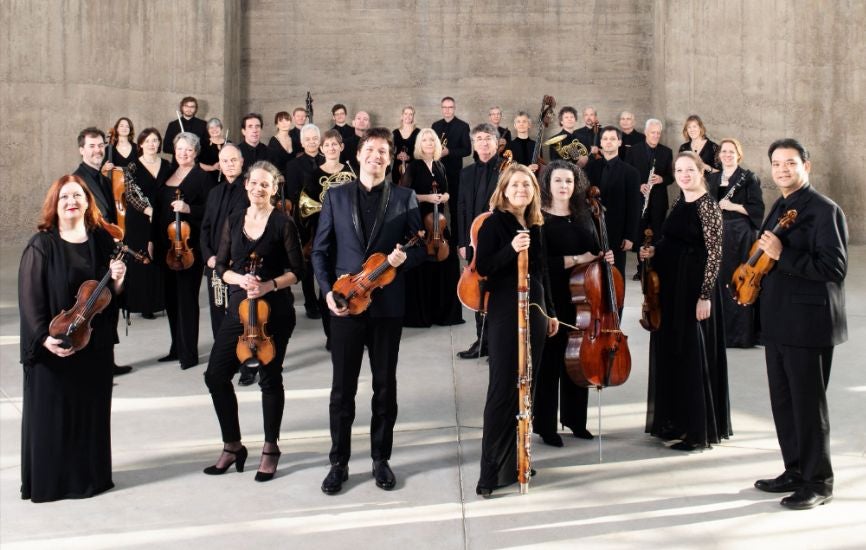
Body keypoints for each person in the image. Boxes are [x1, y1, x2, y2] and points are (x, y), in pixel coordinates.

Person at [311, 127, 426, 495]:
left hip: (387, 308)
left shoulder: (405, 197)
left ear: (390, 160)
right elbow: (320, 252)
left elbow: (421, 248)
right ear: (358, 155)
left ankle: (381, 459)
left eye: (383, 152)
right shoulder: (336, 196)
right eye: (371, 150)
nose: (377, 156)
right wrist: (328, 292)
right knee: (342, 391)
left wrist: (402, 260)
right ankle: (338, 463)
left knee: (384, 387)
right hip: (344, 305)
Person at [19, 175, 127, 502]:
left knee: (90, 413)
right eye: (65, 196)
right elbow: (30, 299)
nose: (71, 202)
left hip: (92, 345)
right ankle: (52, 483)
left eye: (78, 196)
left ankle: (90, 479)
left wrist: (119, 281)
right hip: (56, 344)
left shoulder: (101, 241)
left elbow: (109, 297)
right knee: (52, 417)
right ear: (56, 203)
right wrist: (42, 339)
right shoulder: (43, 244)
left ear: (87, 202)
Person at [753, 139, 847, 510]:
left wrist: (783, 254)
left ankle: (819, 482)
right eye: (776, 164)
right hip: (778, 321)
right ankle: (795, 470)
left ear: (807, 165)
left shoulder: (825, 210)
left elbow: (834, 268)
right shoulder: (780, 204)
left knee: (809, 407)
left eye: (790, 163)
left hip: (809, 324)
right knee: (784, 403)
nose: (782, 170)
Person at [202, 160, 304, 483]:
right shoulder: (234, 220)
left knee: (270, 379)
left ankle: (270, 447)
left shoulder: (283, 224)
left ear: (274, 189)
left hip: (274, 311)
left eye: (265, 184)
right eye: (254, 183)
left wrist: (268, 285)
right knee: (216, 376)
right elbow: (221, 266)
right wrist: (239, 279)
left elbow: (297, 272)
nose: (258, 189)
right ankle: (232, 445)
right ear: (246, 185)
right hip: (240, 308)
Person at [474, 163, 558, 497]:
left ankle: (518, 461)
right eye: (515, 185)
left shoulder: (537, 224)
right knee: (502, 388)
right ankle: (490, 472)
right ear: (505, 189)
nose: (521, 190)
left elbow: (543, 273)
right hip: (507, 311)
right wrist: (511, 249)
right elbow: (484, 268)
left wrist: (550, 311)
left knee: (527, 387)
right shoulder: (495, 223)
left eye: (527, 185)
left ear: (534, 191)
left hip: (534, 309)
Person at [640, 152, 730, 451]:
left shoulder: (708, 206)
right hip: (671, 288)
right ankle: (675, 421)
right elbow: (670, 240)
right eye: (679, 170)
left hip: (693, 289)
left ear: (700, 171)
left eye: (689, 169)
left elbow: (715, 255)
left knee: (692, 355)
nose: (683, 174)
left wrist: (704, 296)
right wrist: (654, 253)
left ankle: (696, 431)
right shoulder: (680, 200)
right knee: (673, 351)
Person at [535, 160, 612, 446]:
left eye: (568, 181)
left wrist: (605, 257)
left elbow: (596, 251)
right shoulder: (539, 218)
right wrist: (579, 260)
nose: (564, 186)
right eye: (558, 181)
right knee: (550, 362)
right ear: (548, 184)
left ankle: (576, 420)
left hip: (583, 298)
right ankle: (545, 425)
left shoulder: (584, 215)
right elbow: (539, 263)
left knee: (578, 360)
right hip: (552, 297)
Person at [72, 127, 129, 375]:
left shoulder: (104, 180)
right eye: (92, 146)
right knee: (92, 308)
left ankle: (107, 362)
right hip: (89, 254)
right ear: (81, 149)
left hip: (108, 253)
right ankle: (92, 362)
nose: (97, 150)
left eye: (100, 146)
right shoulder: (77, 180)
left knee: (109, 307)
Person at [154, 132, 210, 369]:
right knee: (171, 300)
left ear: (195, 152)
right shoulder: (168, 172)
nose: (183, 153)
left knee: (187, 300)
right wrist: (150, 240)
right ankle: (175, 348)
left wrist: (188, 208)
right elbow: (157, 209)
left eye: (188, 149)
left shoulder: (202, 177)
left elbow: (209, 210)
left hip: (189, 248)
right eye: (179, 149)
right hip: (166, 246)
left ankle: (189, 353)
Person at [401, 128, 464, 327]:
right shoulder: (414, 167)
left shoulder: (439, 166)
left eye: (432, 140)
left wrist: (444, 197)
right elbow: (404, 194)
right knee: (423, 265)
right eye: (425, 140)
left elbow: (446, 193)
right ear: (419, 144)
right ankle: (422, 314)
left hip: (439, 220)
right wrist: (427, 197)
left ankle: (445, 313)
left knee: (449, 262)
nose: (429, 143)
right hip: (420, 221)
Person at [706, 138, 764, 347]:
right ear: (719, 155)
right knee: (719, 283)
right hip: (718, 235)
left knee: (738, 283)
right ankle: (720, 333)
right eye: (724, 152)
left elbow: (757, 209)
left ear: (738, 155)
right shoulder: (712, 179)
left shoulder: (748, 178)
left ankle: (741, 335)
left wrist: (732, 205)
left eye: (731, 152)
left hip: (740, 236)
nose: (727, 155)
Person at [456, 123, 502, 359]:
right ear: (474, 144)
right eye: (479, 139)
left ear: (497, 142)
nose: (484, 143)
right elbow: (461, 208)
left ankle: (497, 344)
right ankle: (481, 341)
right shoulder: (466, 173)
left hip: (500, 242)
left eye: (488, 138)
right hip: (474, 241)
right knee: (477, 291)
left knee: (499, 292)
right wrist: (463, 241)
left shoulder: (507, 171)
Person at [308, 130, 356, 348]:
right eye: (327, 145)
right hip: (325, 233)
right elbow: (306, 208)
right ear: (321, 149)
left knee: (351, 282)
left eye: (335, 144)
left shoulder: (351, 171)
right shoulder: (313, 174)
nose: (331, 148)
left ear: (341, 147)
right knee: (327, 283)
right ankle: (331, 336)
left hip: (347, 235)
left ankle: (353, 330)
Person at [200, 143, 249, 338]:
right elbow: (205, 228)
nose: (229, 164)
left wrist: (233, 257)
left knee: (239, 311)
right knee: (217, 310)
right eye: (225, 161)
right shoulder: (214, 193)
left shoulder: (249, 190)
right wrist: (209, 256)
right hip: (215, 263)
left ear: (242, 162)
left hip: (238, 263)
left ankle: (242, 355)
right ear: (219, 164)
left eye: (233, 160)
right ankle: (222, 358)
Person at [584, 126, 641, 281]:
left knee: (616, 276)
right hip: (593, 231)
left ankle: (617, 306)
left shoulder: (631, 173)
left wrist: (630, 236)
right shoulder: (589, 168)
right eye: (605, 139)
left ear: (620, 142)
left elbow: (634, 207)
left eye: (612, 139)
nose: (608, 142)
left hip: (618, 232)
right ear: (600, 143)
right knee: (593, 276)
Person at [125, 128, 168, 320]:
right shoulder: (132, 166)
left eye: (155, 140)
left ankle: (159, 301)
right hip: (139, 218)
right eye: (148, 140)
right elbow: (130, 194)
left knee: (158, 257)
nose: (152, 144)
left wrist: (160, 212)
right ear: (140, 144)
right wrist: (148, 210)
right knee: (141, 258)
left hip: (161, 216)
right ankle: (142, 304)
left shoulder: (167, 164)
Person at [625, 118, 674, 279]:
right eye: (653, 132)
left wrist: (661, 179)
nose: (655, 136)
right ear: (646, 133)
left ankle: (656, 267)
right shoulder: (633, 151)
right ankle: (641, 269)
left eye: (658, 133)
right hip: (640, 200)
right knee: (639, 234)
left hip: (659, 201)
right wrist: (639, 185)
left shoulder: (666, 152)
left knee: (658, 234)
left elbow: (671, 177)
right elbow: (627, 175)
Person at [285, 123, 323, 320]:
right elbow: (293, 193)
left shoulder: (328, 160)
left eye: (315, 138)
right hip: (305, 219)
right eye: (307, 139)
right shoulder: (293, 165)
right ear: (301, 142)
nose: (311, 142)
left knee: (326, 259)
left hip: (327, 219)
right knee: (307, 261)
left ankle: (323, 298)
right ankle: (310, 302)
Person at [432, 96, 471, 228]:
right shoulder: (435, 126)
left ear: (454, 109)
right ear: (441, 109)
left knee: (454, 206)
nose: (447, 110)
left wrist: (449, 152)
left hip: (455, 172)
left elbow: (467, 150)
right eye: (445, 107)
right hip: (437, 170)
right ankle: (441, 236)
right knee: (438, 204)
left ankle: (455, 241)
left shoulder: (463, 126)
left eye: (450, 107)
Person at [392, 105, 419, 179]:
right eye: (406, 113)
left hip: (414, 167)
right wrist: (397, 156)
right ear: (402, 116)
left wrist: (409, 157)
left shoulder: (418, 132)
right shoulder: (395, 132)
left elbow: (420, 152)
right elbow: (390, 151)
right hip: (397, 167)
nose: (408, 116)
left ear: (413, 117)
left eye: (411, 114)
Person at [198, 118, 226, 184]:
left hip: (225, 178)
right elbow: (197, 163)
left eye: (217, 127)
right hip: (207, 178)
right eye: (211, 128)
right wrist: (212, 167)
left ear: (221, 128)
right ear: (208, 130)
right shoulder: (203, 143)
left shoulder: (228, 143)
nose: (214, 130)